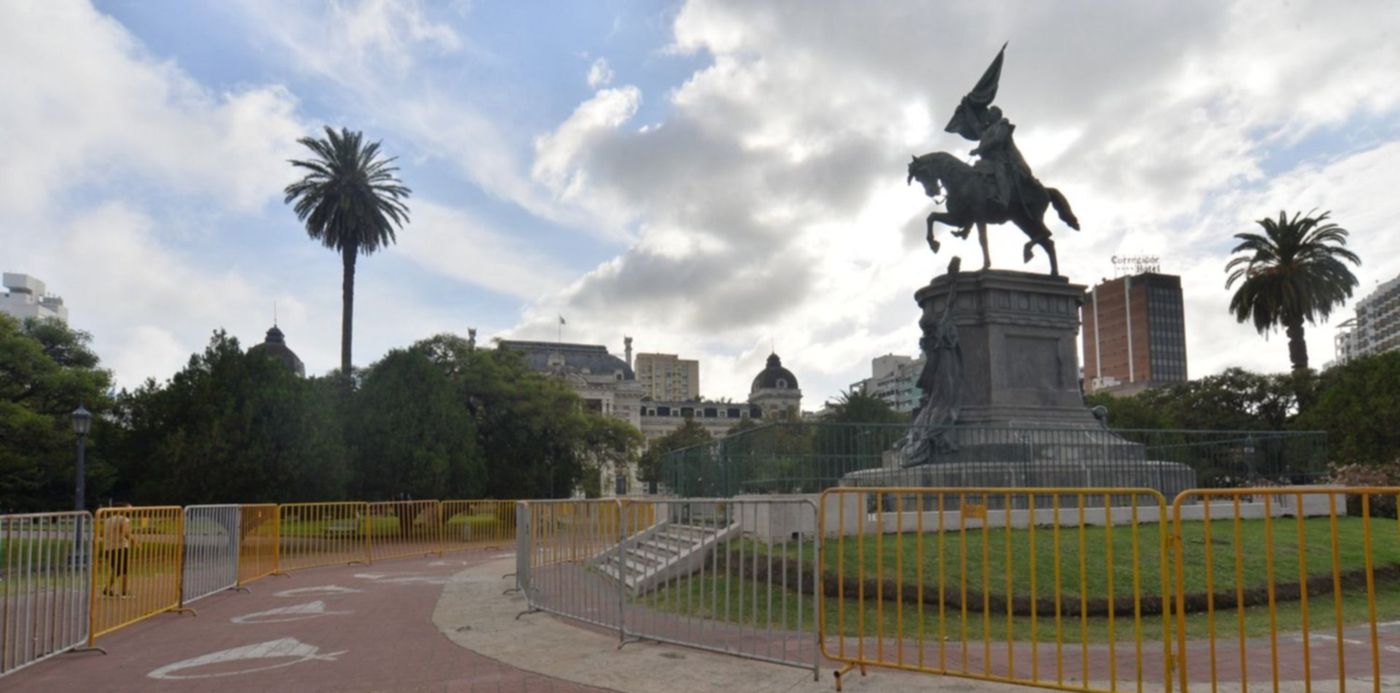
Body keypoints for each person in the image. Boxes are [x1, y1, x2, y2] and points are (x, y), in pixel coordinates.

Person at [101, 503, 137, 598]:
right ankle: (124, 592)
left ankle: (107, 588)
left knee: (117, 570)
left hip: (108, 548)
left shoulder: (107, 520)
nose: (131, 511)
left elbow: (102, 533)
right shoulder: (124, 519)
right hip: (120, 547)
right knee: (124, 570)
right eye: (129, 509)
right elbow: (126, 532)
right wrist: (134, 541)